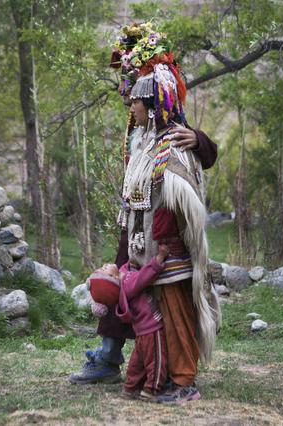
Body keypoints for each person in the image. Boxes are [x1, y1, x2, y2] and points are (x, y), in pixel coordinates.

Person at [69, 23, 219, 403]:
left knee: (171, 311)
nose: (128, 101)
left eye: (134, 96)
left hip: (164, 243)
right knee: (147, 310)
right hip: (141, 236)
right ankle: (144, 369)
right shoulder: (142, 137)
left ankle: (179, 380)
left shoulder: (172, 135)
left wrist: (199, 140)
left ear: (151, 100)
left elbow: (186, 176)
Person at [117, 243, 171, 402]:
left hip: (141, 331)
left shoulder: (124, 273)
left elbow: (130, 267)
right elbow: (144, 277)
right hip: (152, 328)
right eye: (104, 270)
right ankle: (151, 390)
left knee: (137, 362)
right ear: (111, 279)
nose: (105, 265)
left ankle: (130, 388)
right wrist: (160, 257)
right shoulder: (126, 283)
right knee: (157, 361)